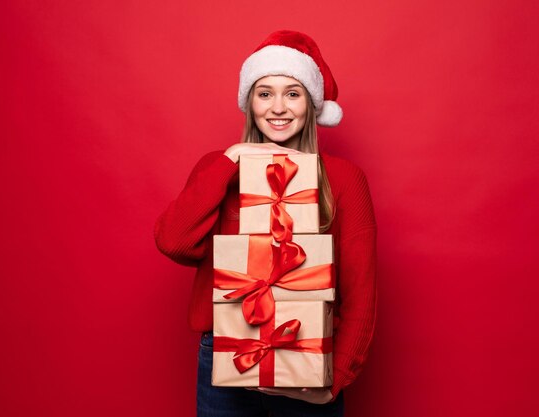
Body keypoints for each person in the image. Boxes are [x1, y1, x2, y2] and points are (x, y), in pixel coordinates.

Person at [154, 30, 377, 417]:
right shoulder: (219, 167)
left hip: (307, 355)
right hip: (224, 355)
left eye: (292, 93)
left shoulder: (343, 179)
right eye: (264, 93)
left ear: (311, 103)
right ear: (249, 103)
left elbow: (361, 293)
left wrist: (336, 378)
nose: (278, 107)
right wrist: (233, 158)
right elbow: (175, 242)